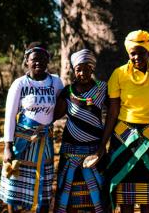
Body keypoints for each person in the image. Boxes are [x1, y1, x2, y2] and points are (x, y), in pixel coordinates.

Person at [98, 30, 149, 213]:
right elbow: (113, 112)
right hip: (123, 136)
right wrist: (103, 143)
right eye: (133, 53)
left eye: (141, 52)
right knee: (125, 193)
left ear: (148, 52)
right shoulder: (119, 74)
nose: (137, 56)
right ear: (128, 54)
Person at [0, 42, 65, 213]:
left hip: (45, 142)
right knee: (16, 183)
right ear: (26, 61)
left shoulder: (56, 82)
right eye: (34, 59)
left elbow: (62, 106)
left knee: (43, 183)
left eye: (43, 59)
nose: (38, 63)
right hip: (23, 141)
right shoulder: (20, 84)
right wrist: (7, 146)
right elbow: (10, 116)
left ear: (48, 60)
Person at [53, 49, 109, 213]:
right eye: (78, 69)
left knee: (96, 198)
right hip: (70, 152)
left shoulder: (102, 89)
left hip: (94, 153)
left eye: (86, 68)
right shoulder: (68, 91)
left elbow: (113, 113)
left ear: (92, 69)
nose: (82, 73)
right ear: (73, 70)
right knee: (70, 197)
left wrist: (102, 146)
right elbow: (55, 115)